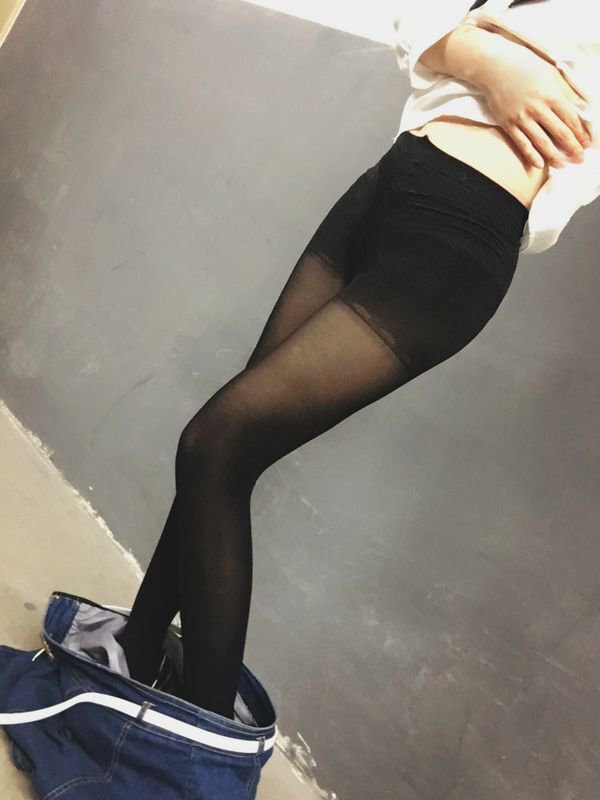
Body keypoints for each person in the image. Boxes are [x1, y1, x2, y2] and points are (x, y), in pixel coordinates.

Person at [116, 0, 600, 721]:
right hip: (390, 183)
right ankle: (129, 659)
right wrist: (488, 58)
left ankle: (199, 747)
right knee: (223, 453)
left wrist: (471, 44)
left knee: (214, 444)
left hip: (462, 231)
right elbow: (419, 19)